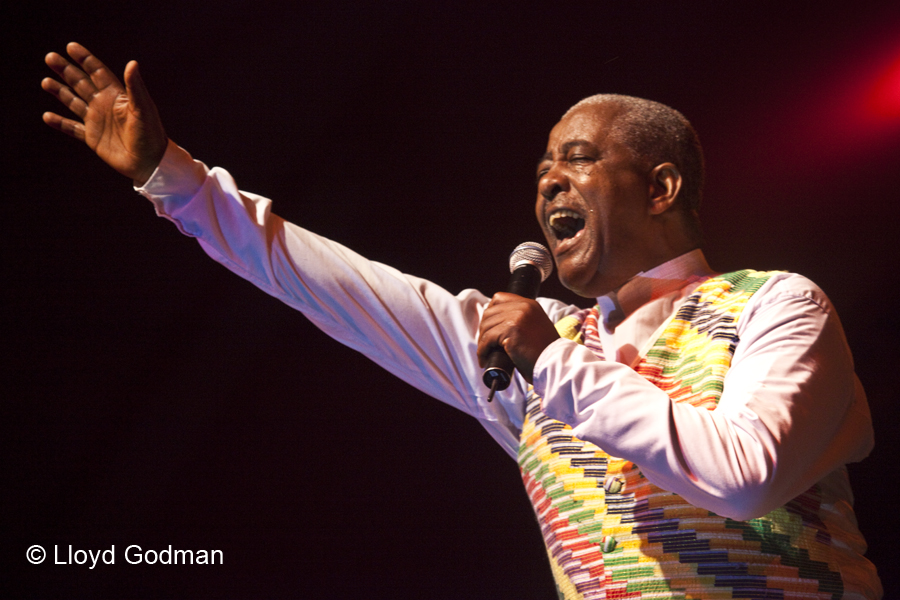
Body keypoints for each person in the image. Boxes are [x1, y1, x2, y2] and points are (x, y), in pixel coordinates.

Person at [42, 42, 883, 598]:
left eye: (580, 161)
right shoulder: (528, 351)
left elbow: (744, 476)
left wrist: (551, 363)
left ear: (661, 189)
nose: (549, 183)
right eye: (543, 169)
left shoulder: (778, 304)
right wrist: (174, 180)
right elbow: (326, 281)